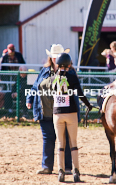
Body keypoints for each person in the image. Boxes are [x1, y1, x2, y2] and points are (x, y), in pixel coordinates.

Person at [26, 44, 72, 175]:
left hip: (63, 113)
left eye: (58, 57)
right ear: (51, 58)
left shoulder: (70, 72)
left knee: (65, 140)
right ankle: (47, 166)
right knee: (48, 139)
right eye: (54, 57)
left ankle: (67, 167)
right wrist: (29, 99)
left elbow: (75, 91)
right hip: (45, 111)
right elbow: (35, 87)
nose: (56, 59)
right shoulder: (44, 71)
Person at [51, 53, 92, 182]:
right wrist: (88, 105)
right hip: (71, 113)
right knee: (73, 143)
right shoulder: (72, 76)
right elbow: (80, 94)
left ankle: (60, 171)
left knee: (60, 144)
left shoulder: (53, 78)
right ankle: (75, 171)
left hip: (57, 113)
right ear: (69, 64)